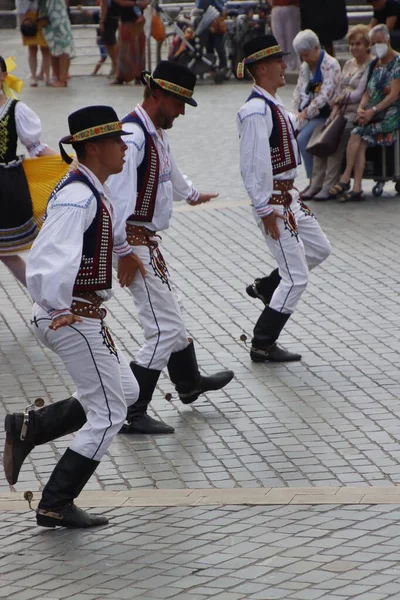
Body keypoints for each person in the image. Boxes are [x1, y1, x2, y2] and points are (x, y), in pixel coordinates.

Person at [17, 106, 143, 528]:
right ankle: (55, 502)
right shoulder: (77, 195)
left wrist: (124, 253)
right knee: (109, 414)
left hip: (83, 315)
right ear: (93, 147)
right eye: (115, 141)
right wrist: (59, 307)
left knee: (124, 389)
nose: (124, 148)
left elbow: (107, 232)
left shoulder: (91, 186)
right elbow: (48, 254)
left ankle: (32, 427)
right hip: (71, 318)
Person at [108, 61, 234, 434]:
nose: (181, 111)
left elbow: (170, 174)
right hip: (134, 246)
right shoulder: (132, 136)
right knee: (162, 329)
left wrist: (193, 194)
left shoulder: (155, 132)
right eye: (178, 103)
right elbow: (115, 199)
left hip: (146, 245)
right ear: (157, 94)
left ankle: (188, 382)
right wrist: (122, 252)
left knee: (173, 317)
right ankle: (132, 410)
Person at [237, 35, 331, 362]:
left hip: (289, 199)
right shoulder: (253, 111)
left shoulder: (273, 103)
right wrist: (264, 209)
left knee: (319, 249)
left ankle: (266, 287)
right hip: (274, 203)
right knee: (296, 277)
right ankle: (262, 342)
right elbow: (252, 166)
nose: (284, 66)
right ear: (262, 67)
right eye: (278, 61)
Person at [0, 56, 55, 287]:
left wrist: (73, 164)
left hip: (6, 187)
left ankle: (43, 298)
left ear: (3, 75)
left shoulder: (16, 110)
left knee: (6, 253)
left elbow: (36, 147)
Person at [334, 24, 400, 202]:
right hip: (371, 112)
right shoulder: (376, 64)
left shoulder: (397, 63)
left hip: (390, 114)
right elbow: (367, 92)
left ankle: (345, 178)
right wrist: (363, 109)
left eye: (378, 42)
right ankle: (356, 188)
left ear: (387, 40)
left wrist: (372, 111)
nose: (376, 46)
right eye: (373, 43)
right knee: (358, 136)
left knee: (358, 133)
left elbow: (393, 95)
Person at [312, 25, 372, 201]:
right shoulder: (348, 63)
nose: (354, 48)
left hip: (357, 111)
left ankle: (330, 183)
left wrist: (340, 99)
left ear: (367, 45)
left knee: (336, 139)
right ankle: (316, 183)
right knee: (321, 138)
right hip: (340, 109)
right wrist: (335, 107)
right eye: (351, 44)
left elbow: (359, 93)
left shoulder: (370, 64)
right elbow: (338, 88)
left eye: (358, 44)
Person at [292, 29, 341, 198]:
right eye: (301, 56)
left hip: (325, 113)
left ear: (315, 48)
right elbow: (299, 90)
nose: (304, 59)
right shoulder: (305, 66)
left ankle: (315, 181)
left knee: (303, 138)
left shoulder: (330, 64)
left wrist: (306, 112)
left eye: (306, 55)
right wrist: (296, 110)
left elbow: (325, 95)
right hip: (308, 111)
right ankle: (314, 179)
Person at [111, 0, 148, 85]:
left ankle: (138, 76)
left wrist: (137, 4)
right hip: (126, 21)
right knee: (124, 51)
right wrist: (136, 4)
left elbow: (145, 3)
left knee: (138, 51)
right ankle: (121, 76)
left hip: (137, 24)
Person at [42, 0, 76, 87]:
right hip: (50, 16)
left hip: (58, 16)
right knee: (53, 47)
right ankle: (58, 77)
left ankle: (62, 79)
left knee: (63, 47)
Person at [16, 0, 51, 86]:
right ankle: (33, 76)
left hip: (43, 15)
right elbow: (20, 3)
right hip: (28, 15)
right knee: (32, 49)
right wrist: (23, 19)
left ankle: (47, 76)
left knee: (46, 49)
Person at [268, 0, 300, 72]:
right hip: (279, 7)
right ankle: (284, 64)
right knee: (281, 40)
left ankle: (291, 66)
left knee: (290, 39)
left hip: (289, 6)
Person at [100, 0, 120, 79]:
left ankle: (116, 66)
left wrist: (102, 21)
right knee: (111, 42)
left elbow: (104, 6)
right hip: (114, 18)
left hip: (108, 19)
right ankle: (115, 66)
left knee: (109, 43)